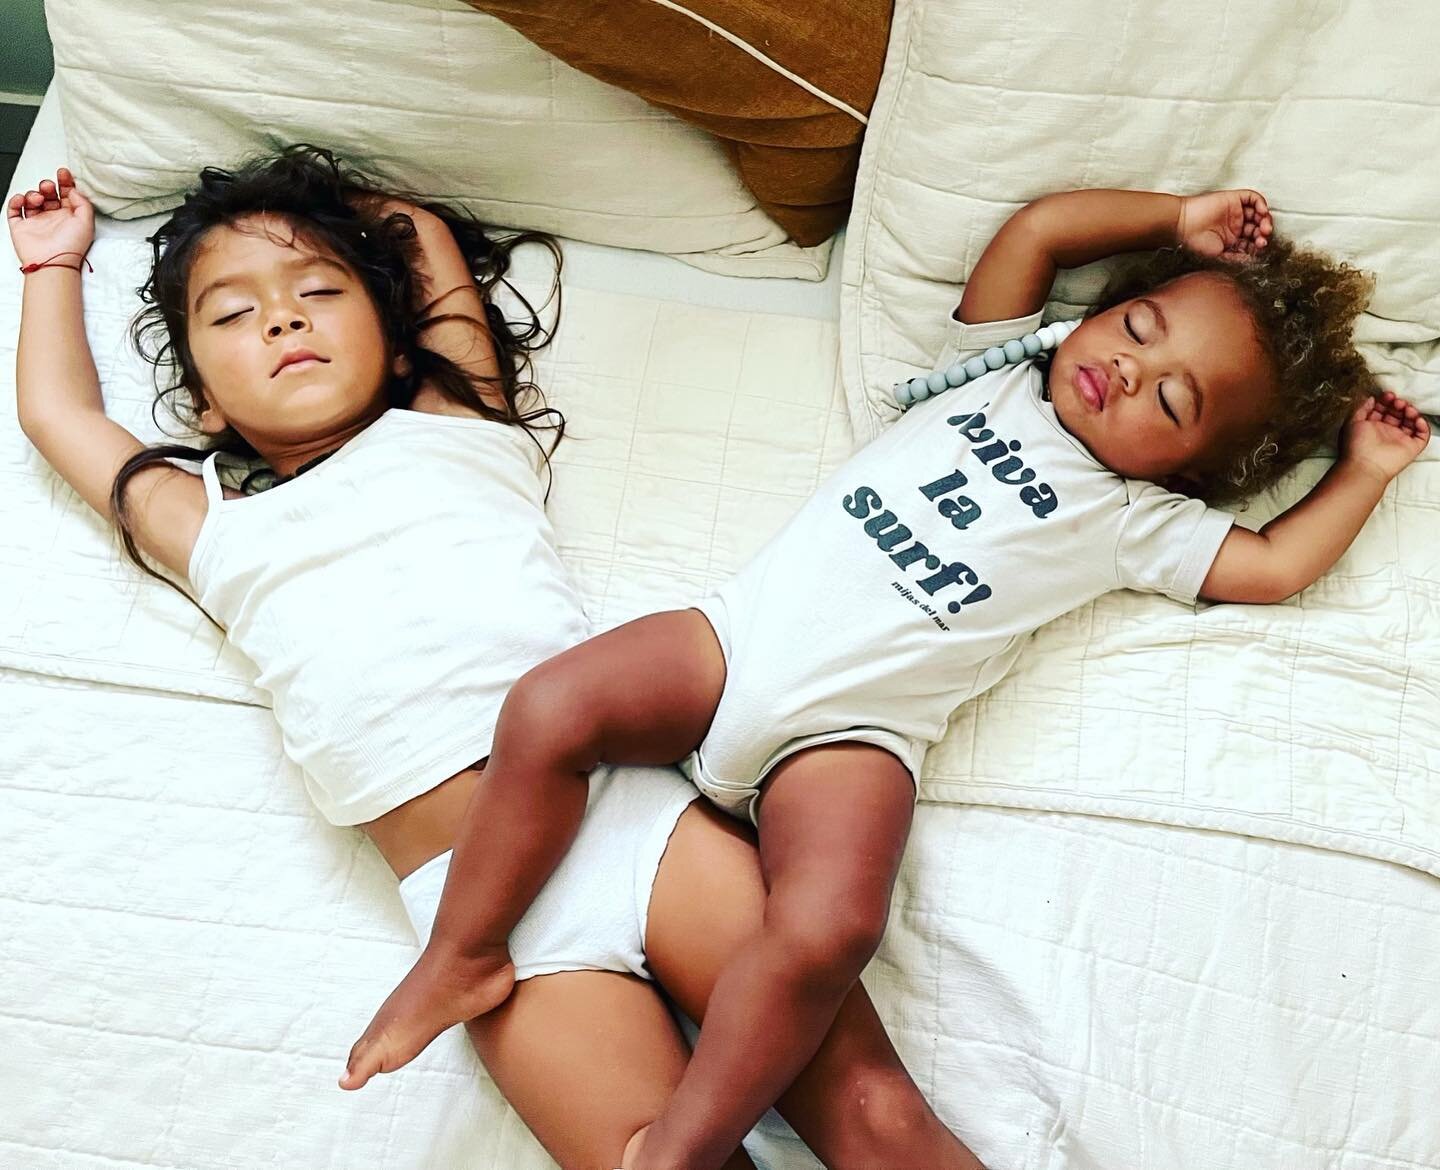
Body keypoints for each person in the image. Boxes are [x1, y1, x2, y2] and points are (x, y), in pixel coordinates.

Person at [344, 185, 1431, 1170]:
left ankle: (683, 1142)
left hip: (854, 738)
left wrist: (1365, 472)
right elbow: (1039, 233)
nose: (1134, 370)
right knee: (549, 705)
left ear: (1189, 469)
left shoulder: (1133, 521)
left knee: (831, 930)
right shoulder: (997, 368)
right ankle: (465, 950)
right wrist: (1176, 219)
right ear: (1100, 313)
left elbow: (1276, 564)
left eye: (1174, 402)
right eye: (1139, 327)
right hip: (732, 647)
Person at [7, 147, 988, 1170]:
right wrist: (51, 266)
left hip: (630, 827)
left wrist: (290, 203)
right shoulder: (211, 529)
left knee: (873, 1112)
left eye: (317, 291)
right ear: (205, 404)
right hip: (491, 931)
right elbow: (59, 416)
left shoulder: (458, 424)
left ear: (396, 343)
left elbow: (421, 238)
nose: (283, 319)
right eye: (233, 314)